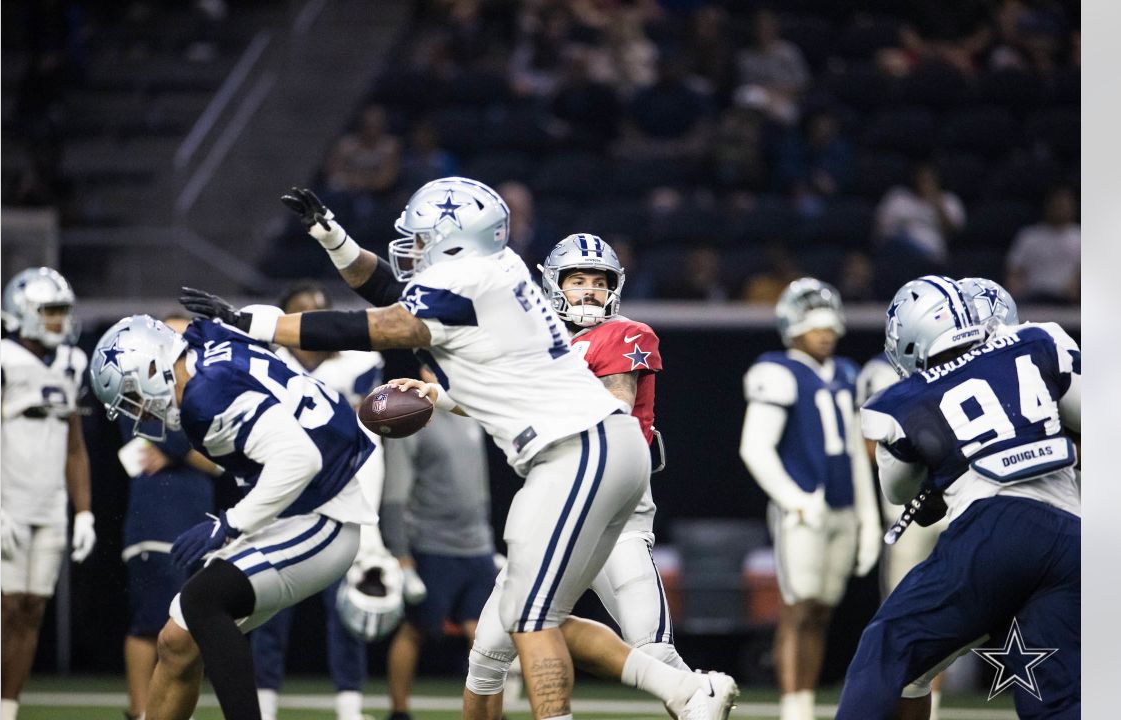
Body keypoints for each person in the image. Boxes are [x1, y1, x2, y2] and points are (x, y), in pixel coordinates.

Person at [179, 177, 739, 720]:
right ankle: (684, 689)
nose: (412, 249)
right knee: (503, 640)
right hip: (587, 453)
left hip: (577, 452)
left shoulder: (469, 284)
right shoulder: (494, 272)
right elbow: (386, 291)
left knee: (533, 620)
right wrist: (331, 236)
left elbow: (375, 324)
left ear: (453, 238)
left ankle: (689, 693)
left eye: (421, 237)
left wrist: (259, 323)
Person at [89, 314, 377, 720]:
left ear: (153, 366)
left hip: (323, 514)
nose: (142, 414)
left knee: (203, 599)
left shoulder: (205, 398)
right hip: (297, 507)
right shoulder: (208, 341)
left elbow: (300, 460)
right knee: (176, 641)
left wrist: (230, 524)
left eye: (135, 397)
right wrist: (238, 316)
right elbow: (230, 328)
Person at [461, 233, 692, 718]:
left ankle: (700, 701)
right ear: (554, 284)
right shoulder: (538, 343)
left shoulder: (624, 333)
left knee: (655, 650)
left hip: (613, 515)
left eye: (598, 281)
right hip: (554, 507)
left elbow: (614, 408)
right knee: (486, 656)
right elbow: (492, 397)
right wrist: (432, 397)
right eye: (578, 280)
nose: (589, 290)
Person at [836, 275, 1080, 718]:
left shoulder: (900, 399)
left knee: (885, 649)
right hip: (1073, 537)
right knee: (1056, 699)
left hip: (996, 528)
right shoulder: (1040, 340)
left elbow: (898, 491)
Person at [738, 278, 882, 720]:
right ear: (791, 326)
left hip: (843, 508)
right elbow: (754, 448)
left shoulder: (847, 374)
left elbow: (860, 453)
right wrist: (794, 499)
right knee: (798, 609)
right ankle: (793, 707)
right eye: (813, 324)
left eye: (829, 325)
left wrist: (869, 519)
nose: (825, 333)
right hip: (803, 510)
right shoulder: (776, 371)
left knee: (822, 610)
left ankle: (804, 701)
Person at [249, 282, 390, 720]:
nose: (312, 321)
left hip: (341, 497)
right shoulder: (266, 363)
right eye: (302, 313)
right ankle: (263, 704)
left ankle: (349, 707)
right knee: (268, 605)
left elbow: (376, 436)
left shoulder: (360, 363)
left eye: (320, 313)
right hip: (285, 496)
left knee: (346, 607)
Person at [1, 267, 96, 720]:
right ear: (24, 312)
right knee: (1, 608)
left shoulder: (71, 363)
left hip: (50, 503)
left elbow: (75, 445)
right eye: (51, 311)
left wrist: (85, 513)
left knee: (32, 609)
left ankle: (6, 709)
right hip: (6, 502)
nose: (60, 320)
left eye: (63, 311)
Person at [118, 316, 221, 720]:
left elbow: (217, 458)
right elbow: (145, 443)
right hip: (154, 518)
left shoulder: (201, 393)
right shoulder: (135, 384)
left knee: (188, 626)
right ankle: (140, 712)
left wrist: (183, 446)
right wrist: (187, 444)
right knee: (150, 621)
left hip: (198, 519)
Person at [382, 389, 498, 720]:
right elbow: (395, 491)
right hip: (431, 542)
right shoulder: (411, 417)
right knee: (415, 630)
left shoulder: (472, 409)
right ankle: (399, 712)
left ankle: (490, 714)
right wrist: (401, 553)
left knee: (488, 637)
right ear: (423, 371)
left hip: (477, 543)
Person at [1006, 185, 1080, 304]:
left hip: (1066, 298)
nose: (1059, 208)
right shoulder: (1029, 236)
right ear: (1047, 206)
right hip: (1032, 296)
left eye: (1063, 205)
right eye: (1056, 204)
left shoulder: (1080, 237)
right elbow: (1014, 271)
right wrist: (1015, 292)